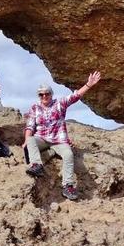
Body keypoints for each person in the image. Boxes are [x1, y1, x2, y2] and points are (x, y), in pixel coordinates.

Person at [24, 72, 102, 201]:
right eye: (41, 94)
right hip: (42, 138)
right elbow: (30, 126)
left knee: (68, 155)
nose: (44, 96)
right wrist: (26, 140)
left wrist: (89, 84)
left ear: (51, 94)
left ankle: (68, 186)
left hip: (59, 140)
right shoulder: (35, 107)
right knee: (30, 140)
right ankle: (37, 165)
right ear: (39, 96)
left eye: (47, 93)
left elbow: (75, 96)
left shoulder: (59, 103)